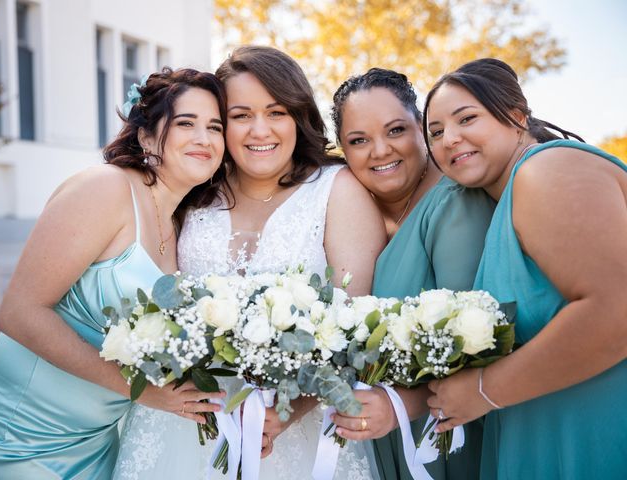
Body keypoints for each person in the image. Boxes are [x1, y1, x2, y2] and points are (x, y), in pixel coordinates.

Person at [113, 46, 386, 479]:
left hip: (295, 426)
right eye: (240, 115)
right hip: (186, 421)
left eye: (276, 112)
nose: (260, 130)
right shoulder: (195, 190)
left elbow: (356, 324)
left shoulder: (336, 189)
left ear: (299, 116)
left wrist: (289, 411)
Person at [0, 68, 228, 478]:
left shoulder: (183, 226)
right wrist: (147, 393)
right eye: (186, 122)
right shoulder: (106, 188)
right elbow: (18, 313)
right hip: (23, 439)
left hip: (97, 443)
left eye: (215, 127)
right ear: (146, 135)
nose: (204, 138)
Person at [423, 58, 627, 479]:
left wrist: (482, 391)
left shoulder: (546, 170)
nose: (450, 139)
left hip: (600, 440)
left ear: (516, 117)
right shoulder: (508, 200)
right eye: (436, 132)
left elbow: (618, 308)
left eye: (467, 119)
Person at [329, 68, 496, 479]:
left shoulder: (455, 205)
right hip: (378, 432)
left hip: (443, 434)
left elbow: (470, 349)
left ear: (421, 129)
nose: (380, 150)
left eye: (396, 130)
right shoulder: (351, 212)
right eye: (359, 140)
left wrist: (401, 405)